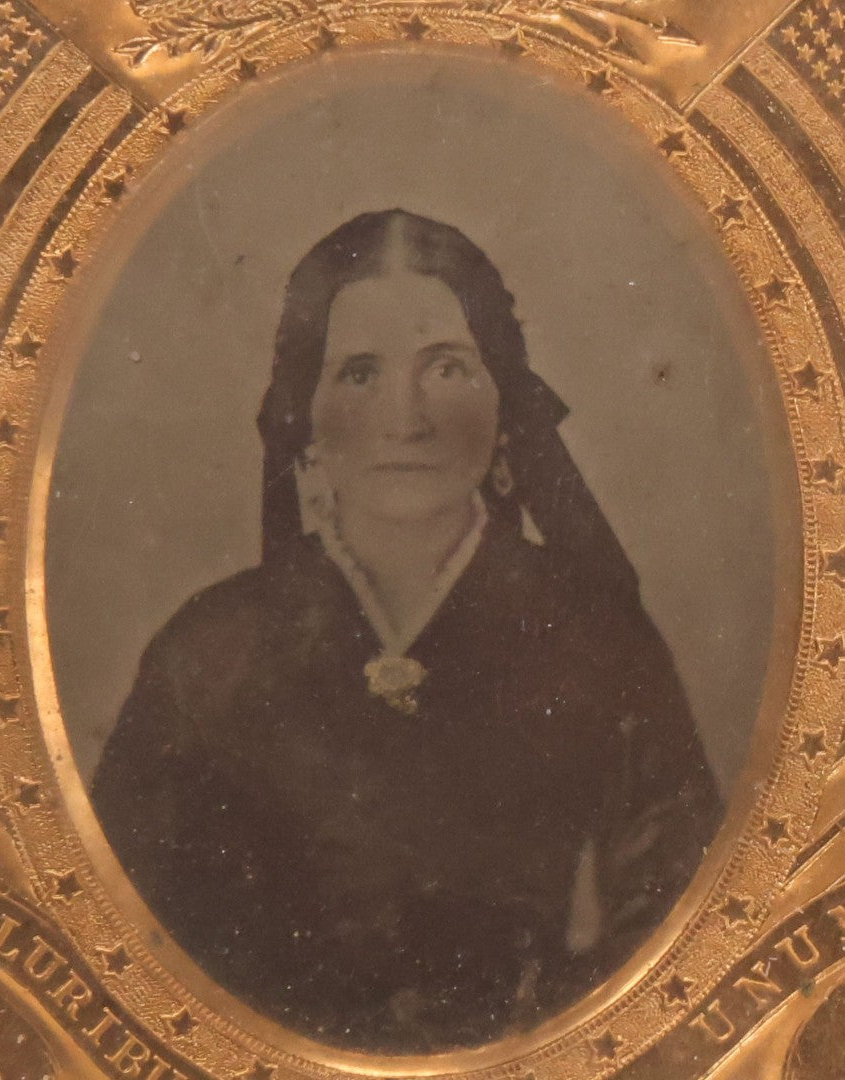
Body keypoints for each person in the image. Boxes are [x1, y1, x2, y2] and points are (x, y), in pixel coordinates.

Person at [91, 209, 722, 1054]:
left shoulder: (600, 642)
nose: (406, 418)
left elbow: (684, 944)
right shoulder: (207, 655)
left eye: (448, 369)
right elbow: (122, 958)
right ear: (304, 414)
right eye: (358, 374)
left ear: (506, 402)